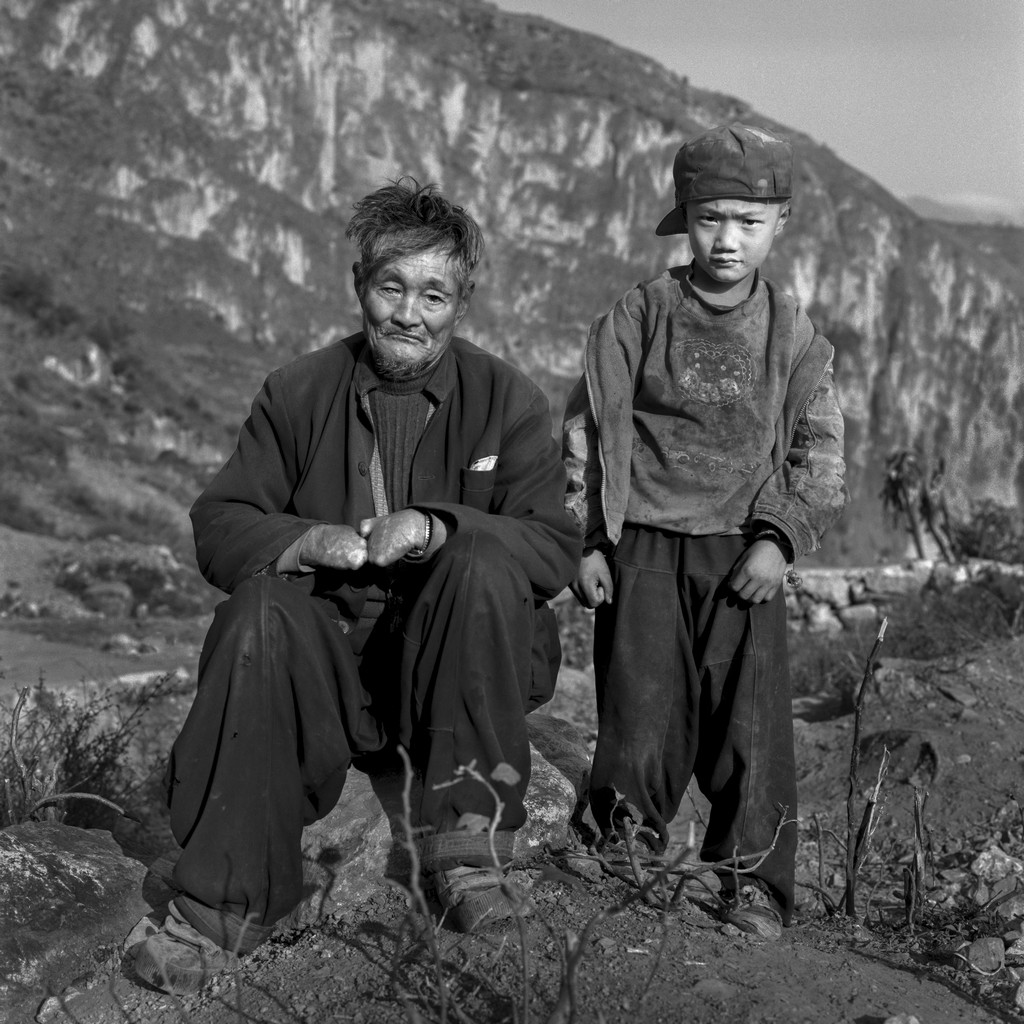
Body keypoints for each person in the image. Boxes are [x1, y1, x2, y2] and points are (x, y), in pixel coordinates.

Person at [133, 179, 582, 993]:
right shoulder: (297, 392)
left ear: (462, 303)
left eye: (433, 294)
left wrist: (440, 527)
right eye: (392, 288)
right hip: (331, 674)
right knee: (259, 608)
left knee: (482, 560)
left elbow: (553, 544)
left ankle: (469, 856)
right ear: (360, 288)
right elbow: (220, 523)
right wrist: (310, 541)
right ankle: (219, 905)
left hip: (457, 667)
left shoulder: (506, 400)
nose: (409, 313)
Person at [562, 123, 848, 939]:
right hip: (644, 541)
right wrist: (587, 539)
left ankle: (752, 880)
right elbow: (588, 433)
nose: (728, 240)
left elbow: (818, 451)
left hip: (742, 552)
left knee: (749, 721)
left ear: (780, 224)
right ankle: (624, 842)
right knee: (640, 706)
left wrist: (780, 537)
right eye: (711, 218)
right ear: (683, 218)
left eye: (748, 222)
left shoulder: (794, 338)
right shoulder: (638, 316)